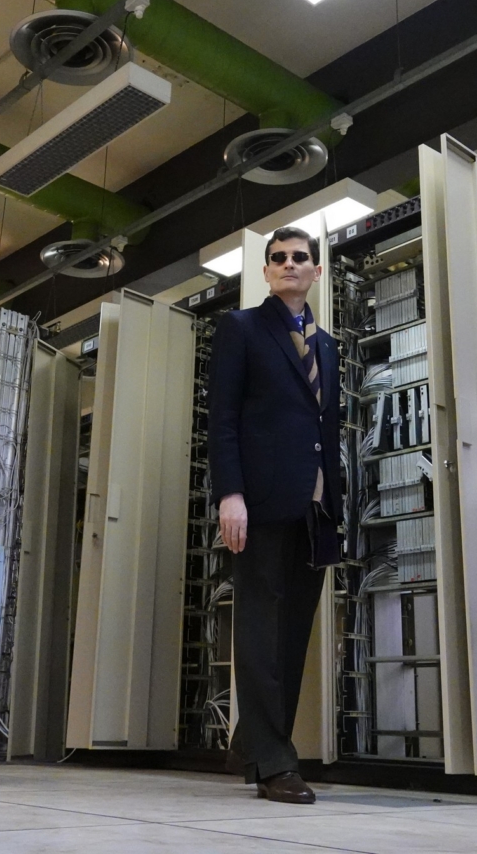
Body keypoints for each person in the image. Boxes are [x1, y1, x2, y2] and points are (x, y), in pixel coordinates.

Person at [207, 225, 342, 805]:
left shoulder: (327, 346)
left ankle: (254, 742)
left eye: (299, 257)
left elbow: (325, 429)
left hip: (315, 505)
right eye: (278, 257)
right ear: (265, 271)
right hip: (259, 501)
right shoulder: (241, 328)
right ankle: (273, 762)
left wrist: (335, 503)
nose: (289, 264)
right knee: (261, 630)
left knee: (292, 635)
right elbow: (223, 418)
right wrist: (230, 494)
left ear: (316, 271)